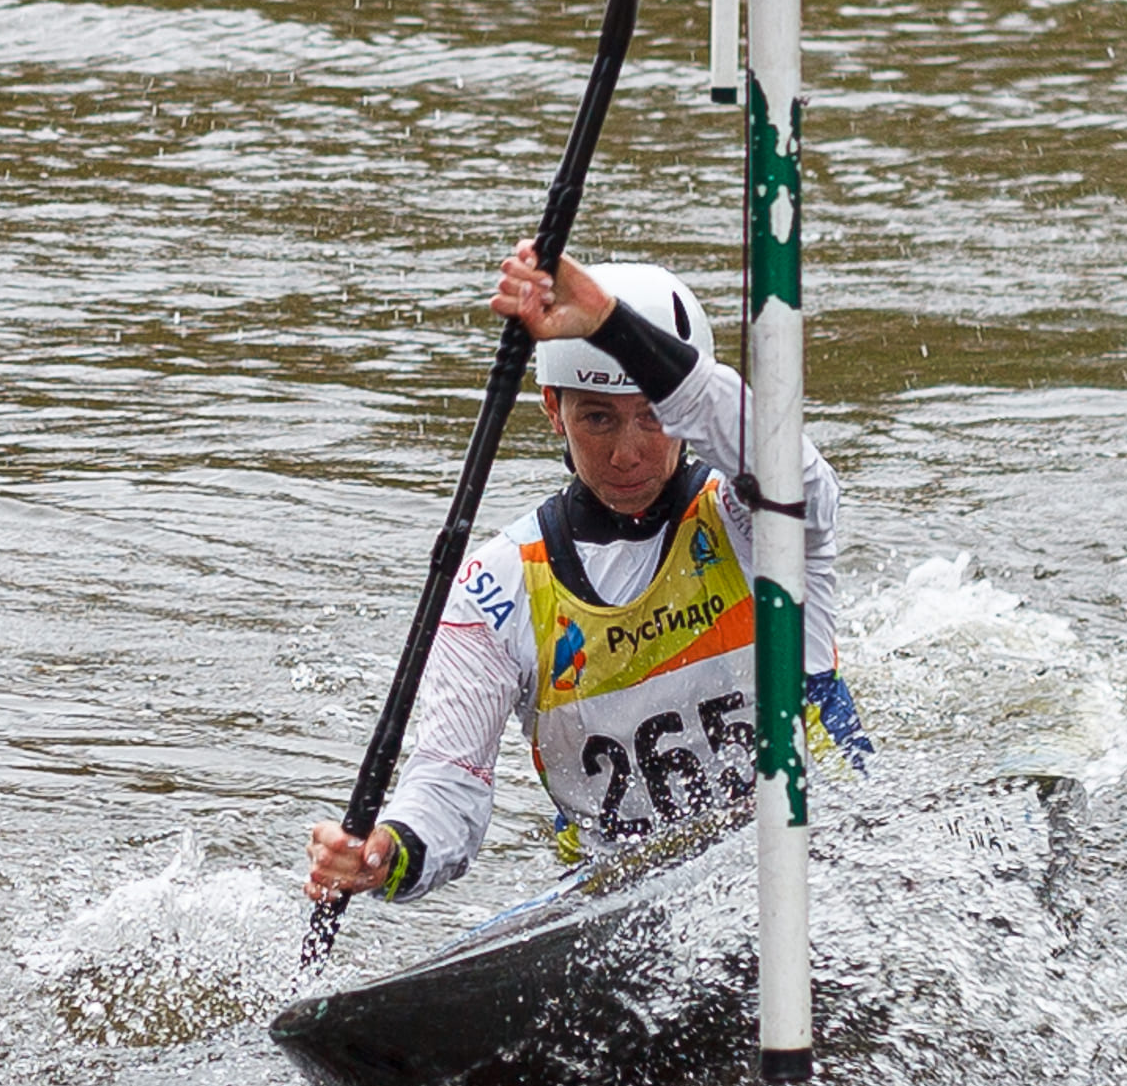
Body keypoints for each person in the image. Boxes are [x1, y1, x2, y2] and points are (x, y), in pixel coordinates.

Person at [305, 242, 868, 906]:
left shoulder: (757, 522)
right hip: (626, 901)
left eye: (653, 416)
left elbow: (773, 452)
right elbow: (449, 787)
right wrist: (388, 853)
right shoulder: (498, 588)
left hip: (831, 855)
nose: (628, 453)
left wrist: (608, 324)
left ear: (685, 412)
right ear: (553, 409)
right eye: (598, 418)